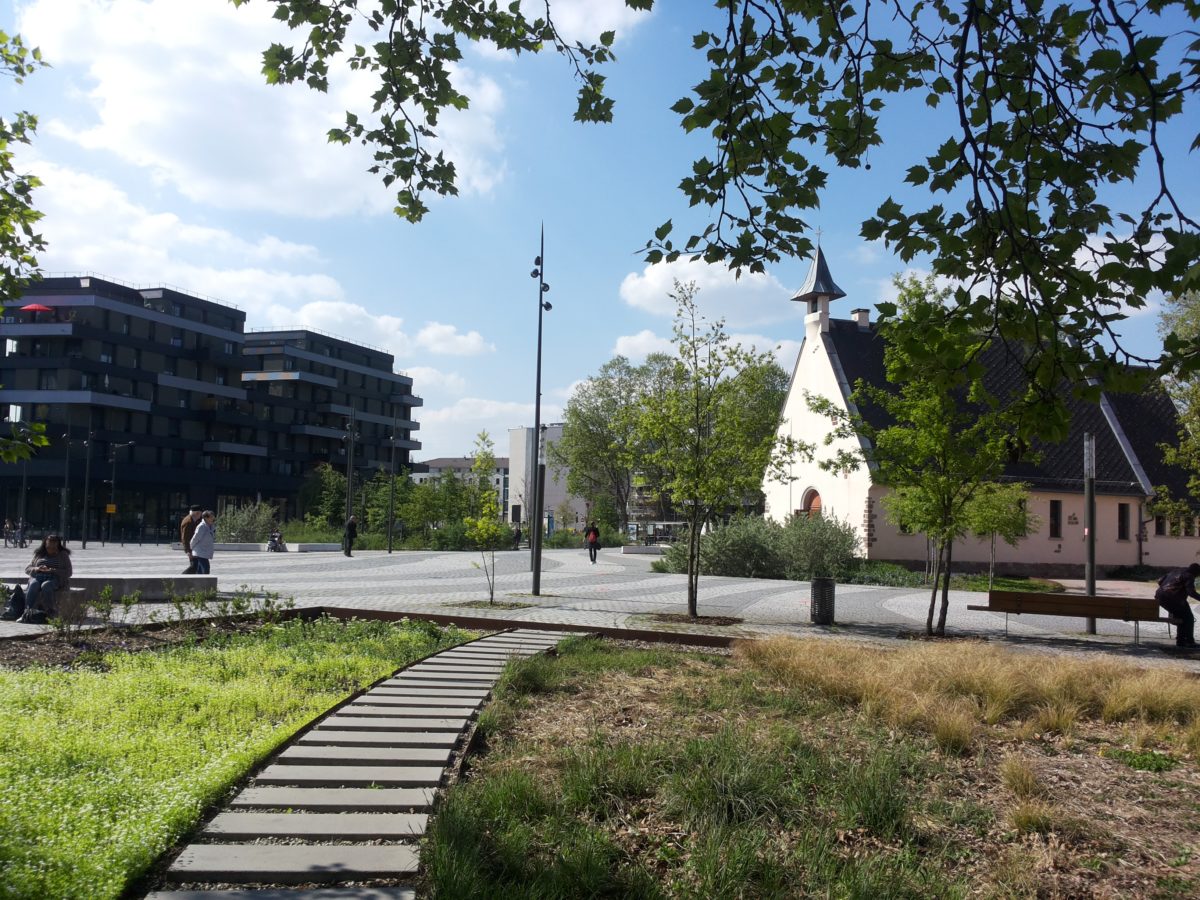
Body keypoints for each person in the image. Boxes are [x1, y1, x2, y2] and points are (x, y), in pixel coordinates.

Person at [18, 534, 72, 625]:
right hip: (38, 576)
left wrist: (53, 570)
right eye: (48, 547)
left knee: (46, 585)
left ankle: (50, 612)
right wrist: (37, 569)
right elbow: (27, 569)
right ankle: (26, 612)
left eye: (53, 548)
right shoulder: (39, 554)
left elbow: (69, 572)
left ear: (57, 546)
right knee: (34, 585)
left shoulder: (63, 555)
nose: (51, 550)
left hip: (54, 579)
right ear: (45, 545)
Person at [1156, 563, 1199, 649]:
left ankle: (1181, 640)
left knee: (1182, 615)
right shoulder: (1189, 576)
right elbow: (1191, 592)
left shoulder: (1176, 571)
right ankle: (1188, 641)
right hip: (1174, 599)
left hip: (1160, 597)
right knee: (1189, 618)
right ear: (1196, 573)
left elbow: (1160, 581)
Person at [190, 510, 216, 574]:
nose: (213, 518)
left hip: (204, 551)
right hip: (200, 551)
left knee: (200, 570)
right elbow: (195, 538)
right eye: (211, 517)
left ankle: (197, 583)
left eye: (213, 516)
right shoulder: (201, 526)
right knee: (206, 568)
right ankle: (205, 582)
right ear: (206, 518)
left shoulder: (211, 526)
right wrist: (191, 547)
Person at [179, 505, 203, 574]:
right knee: (194, 566)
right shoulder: (188, 521)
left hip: (193, 547)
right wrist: (188, 551)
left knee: (196, 566)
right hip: (191, 548)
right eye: (200, 513)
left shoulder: (193, 520)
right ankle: (181, 578)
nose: (201, 516)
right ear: (197, 513)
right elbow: (185, 538)